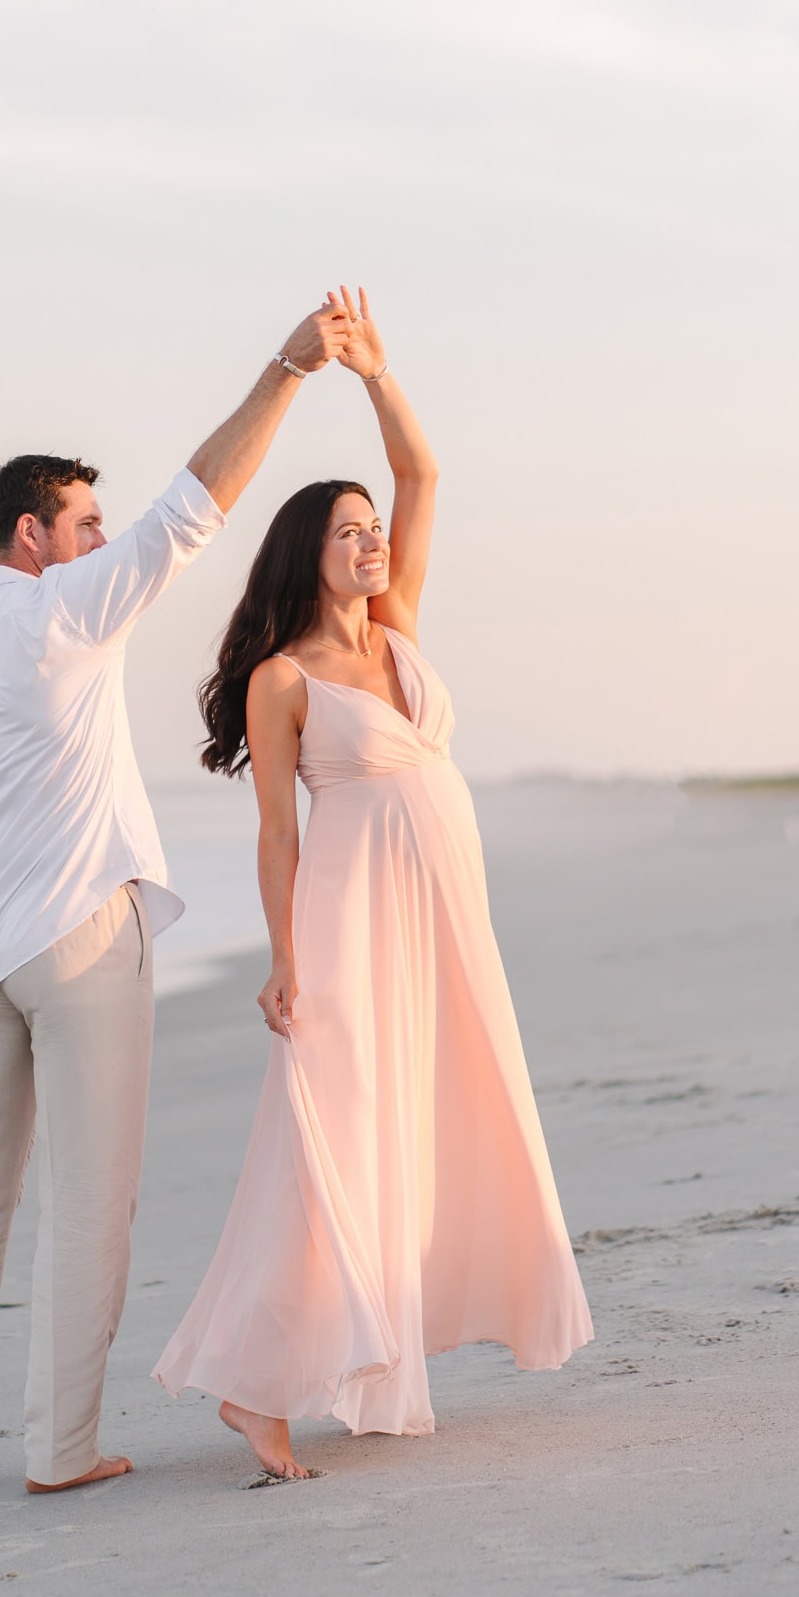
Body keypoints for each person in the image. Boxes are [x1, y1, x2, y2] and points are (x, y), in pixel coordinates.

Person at [0, 298, 355, 1494]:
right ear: (33, 535)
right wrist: (287, 369)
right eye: (86, 522)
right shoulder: (64, 609)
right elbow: (196, 506)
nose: (104, 539)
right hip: (83, 937)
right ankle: (62, 1448)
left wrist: (0, 880)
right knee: (91, 1198)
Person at [153, 288, 593, 1478]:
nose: (372, 540)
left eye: (372, 527)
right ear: (309, 551)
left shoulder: (397, 627)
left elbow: (424, 474)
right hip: (350, 928)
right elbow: (277, 837)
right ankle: (256, 1388)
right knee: (331, 1134)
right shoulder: (282, 680)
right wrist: (285, 960)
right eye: (349, 530)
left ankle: (372, 1347)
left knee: (429, 1120)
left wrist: (376, 374)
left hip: (444, 922)